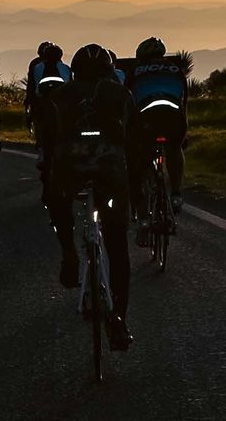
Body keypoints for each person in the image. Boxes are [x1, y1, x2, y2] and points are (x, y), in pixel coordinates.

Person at [40, 44, 134, 350]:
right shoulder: (121, 94)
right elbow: (136, 138)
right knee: (117, 246)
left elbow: (47, 137)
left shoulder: (61, 95)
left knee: (59, 198)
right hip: (110, 168)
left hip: (70, 164)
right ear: (109, 70)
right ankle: (118, 319)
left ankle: (68, 250)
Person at [128, 37, 188, 247]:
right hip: (174, 115)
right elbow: (183, 100)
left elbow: (128, 105)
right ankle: (177, 194)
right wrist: (183, 136)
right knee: (174, 148)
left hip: (146, 117)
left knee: (140, 168)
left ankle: (143, 220)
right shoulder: (176, 69)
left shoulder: (135, 72)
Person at [27, 42, 72, 204]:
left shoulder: (37, 68)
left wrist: (30, 113)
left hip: (43, 109)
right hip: (62, 110)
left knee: (43, 133)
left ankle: (41, 152)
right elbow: (71, 90)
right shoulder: (65, 68)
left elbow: (32, 92)